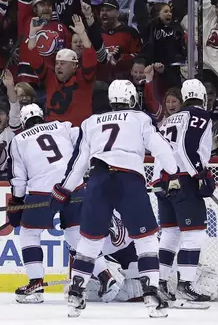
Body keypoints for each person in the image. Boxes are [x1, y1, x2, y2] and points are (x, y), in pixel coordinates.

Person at [54, 79, 177, 318]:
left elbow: (79, 162)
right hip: (129, 179)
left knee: (89, 241)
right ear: (131, 99)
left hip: (98, 181)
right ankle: (152, 294)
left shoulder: (90, 122)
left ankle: (76, 293)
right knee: (146, 238)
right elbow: (160, 147)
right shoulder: (140, 118)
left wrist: (65, 189)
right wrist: (172, 174)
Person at [6, 103, 82, 303]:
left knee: (29, 233)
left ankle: (36, 284)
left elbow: (19, 179)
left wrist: (17, 201)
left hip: (43, 190)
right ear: (42, 116)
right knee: (75, 234)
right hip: (73, 185)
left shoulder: (18, 140)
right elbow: (84, 142)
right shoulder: (62, 126)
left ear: (23, 123)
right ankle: (105, 277)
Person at [152, 79, 216, 308]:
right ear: (203, 98)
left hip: (162, 180)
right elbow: (189, 148)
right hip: (183, 180)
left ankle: (159, 284)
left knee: (170, 234)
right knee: (194, 234)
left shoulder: (170, 119)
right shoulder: (199, 115)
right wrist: (200, 174)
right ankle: (185, 288)